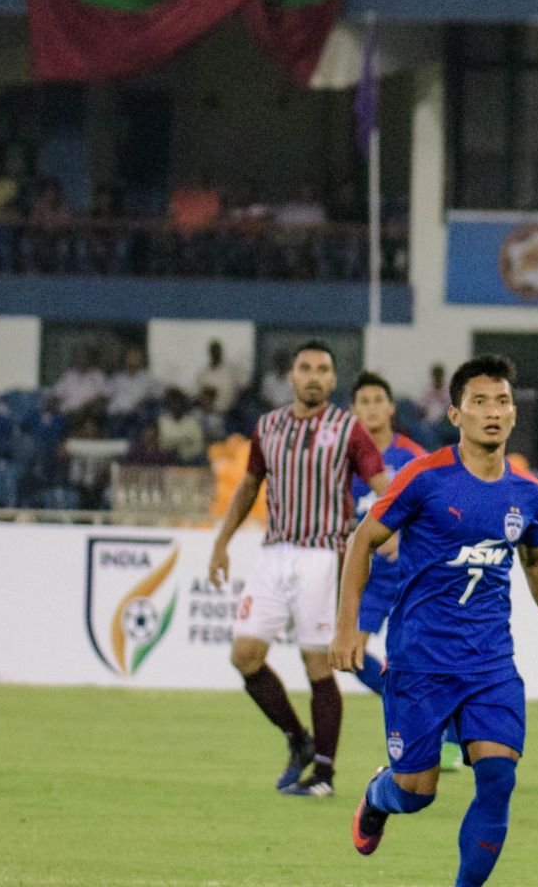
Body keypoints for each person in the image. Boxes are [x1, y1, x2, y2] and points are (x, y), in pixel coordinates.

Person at [332, 354, 538, 885]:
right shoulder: (423, 479)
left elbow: (537, 563)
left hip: (490, 662)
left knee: (497, 777)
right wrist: (345, 626)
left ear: (514, 414)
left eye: (502, 402)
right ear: (456, 414)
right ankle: (379, 798)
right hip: (421, 661)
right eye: (479, 402)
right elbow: (364, 540)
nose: (492, 412)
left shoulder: (528, 493)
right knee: (415, 793)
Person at [207, 340, 387, 797]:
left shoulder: (348, 429)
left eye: (322, 369)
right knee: (244, 655)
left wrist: (398, 529)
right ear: (291, 376)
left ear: (331, 379)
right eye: (304, 367)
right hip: (274, 553)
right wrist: (222, 542)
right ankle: (298, 739)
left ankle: (324, 775)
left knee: (318, 663)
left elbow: (382, 485)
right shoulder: (268, 427)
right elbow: (249, 486)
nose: (312, 376)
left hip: (323, 555)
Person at [341, 372, 461, 767]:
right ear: (354, 410)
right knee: (352, 656)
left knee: (428, 659)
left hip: (412, 574)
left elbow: (437, 511)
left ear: (391, 408)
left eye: (379, 399)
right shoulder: (346, 462)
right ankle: (427, 721)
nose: (372, 407)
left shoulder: (412, 457)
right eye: (364, 401)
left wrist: (404, 537)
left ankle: (448, 735)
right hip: (371, 580)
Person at [105, 345, 160, 418]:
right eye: (131, 355)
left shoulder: (148, 378)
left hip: (137, 417)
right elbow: (105, 395)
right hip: (115, 415)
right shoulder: (116, 378)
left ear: (141, 358)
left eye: (136, 355)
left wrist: (143, 400)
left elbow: (158, 394)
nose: (134, 358)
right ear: (125, 358)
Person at [51, 347, 108, 414]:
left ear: (90, 359)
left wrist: (86, 406)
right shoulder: (68, 375)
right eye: (78, 356)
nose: (81, 360)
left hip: (88, 414)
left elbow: (104, 396)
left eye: (84, 357)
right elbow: (56, 394)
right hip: (67, 413)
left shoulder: (98, 375)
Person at [196, 339, 247, 414]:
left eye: (217, 350)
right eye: (213, 351)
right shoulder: (203, 373)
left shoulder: (231, 370)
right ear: (210, 353)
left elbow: (243, 387)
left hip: (230, 413)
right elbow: (199, 394)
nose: (215, 353)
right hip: (209, 413)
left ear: (221, 352)